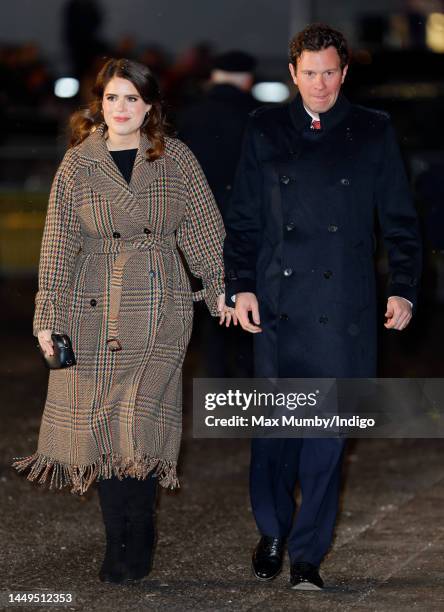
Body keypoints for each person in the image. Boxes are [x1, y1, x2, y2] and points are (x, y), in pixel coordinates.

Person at [12, 58, 233, 584]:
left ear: (151, 106)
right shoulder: (78, 164)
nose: (121, 108)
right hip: (93, 307)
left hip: (161, 303)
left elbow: (203, 227)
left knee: (138, 418)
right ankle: (122, 542)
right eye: (113, 98)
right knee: (106, 429)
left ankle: (141, 533)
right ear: (99, 103)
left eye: (132, 98)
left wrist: (219, 291)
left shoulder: (175, 158)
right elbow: (58, 245)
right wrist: (48, 316)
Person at [223, 24, 422, 590]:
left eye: (330, 72)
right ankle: (274, 529)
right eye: (309, 73)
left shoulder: (373, 131)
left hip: (345, 310)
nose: (320, 83)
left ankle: (308, 554)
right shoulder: (263, 128)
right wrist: (240, 284)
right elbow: (244, 220)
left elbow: (401, 224)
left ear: (344, 72)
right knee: (276, 436)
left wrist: (403, 288)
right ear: (292, 73)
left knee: (327, 438)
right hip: (278, 307)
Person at [178, 50, 258, 377]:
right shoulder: (257, 116)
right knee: (246, 292)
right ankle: (244, 370)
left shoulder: (189, 116)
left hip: (197, 221)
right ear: (248, 79)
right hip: (246, 221)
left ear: (213, 76)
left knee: (210, 298)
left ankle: (214, 374)